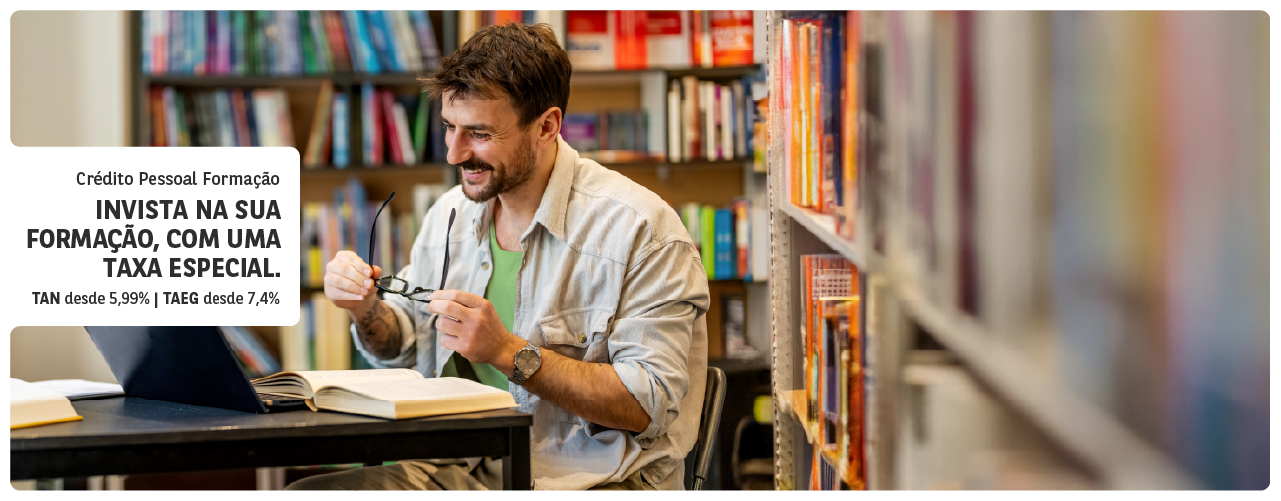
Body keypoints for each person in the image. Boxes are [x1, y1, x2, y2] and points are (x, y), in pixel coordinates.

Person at [288, 22, 709, 490]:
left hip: (585, 481)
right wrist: (365, 308)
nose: (453, 153)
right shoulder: (450, 213)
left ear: (546, 126)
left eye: (479, 134)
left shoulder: (641, 230)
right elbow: (405, 344)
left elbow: (647, 404)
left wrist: (508, 352)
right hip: (455, 466)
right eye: (450, 127)